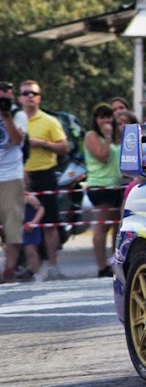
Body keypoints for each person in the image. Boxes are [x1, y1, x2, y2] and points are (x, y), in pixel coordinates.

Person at [20, 79, 69, 280]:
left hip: (45, 174)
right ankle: (28, 267)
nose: (30, 96)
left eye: (34, 93)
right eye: (26, 93)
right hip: (21, 177)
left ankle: (53, 267)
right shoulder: (14, 120)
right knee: (22, 222)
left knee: (49, 223)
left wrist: (43, 143)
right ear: (19, 98)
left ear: (39, 98)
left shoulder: (49, 121)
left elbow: (64, 147)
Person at [83, 103, 124, 278]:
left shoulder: (117, 135)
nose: (106, 119)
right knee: (101, 226)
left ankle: (115, 261)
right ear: (95, 120)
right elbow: (103, 156)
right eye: (101, 116)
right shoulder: (91, 136)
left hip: (117, 185)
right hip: (100, 186)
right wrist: (107, 136)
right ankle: (101, 267)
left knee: (117, 226)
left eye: (108, 116)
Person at [0, 81, 29, 283]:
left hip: (11, 176)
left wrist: (6, 115)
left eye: (7, 98)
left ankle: (9, 270)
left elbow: (17, 140)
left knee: (12, 227)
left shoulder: (18, 114)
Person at [21, 190, 44, 282]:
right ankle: (33, 271)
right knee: (27, 251)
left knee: (31, 250)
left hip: (31, 226)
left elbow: (41, 209)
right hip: (21, 226)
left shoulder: (28, 197)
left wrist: (34, 222)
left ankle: (37, 274)